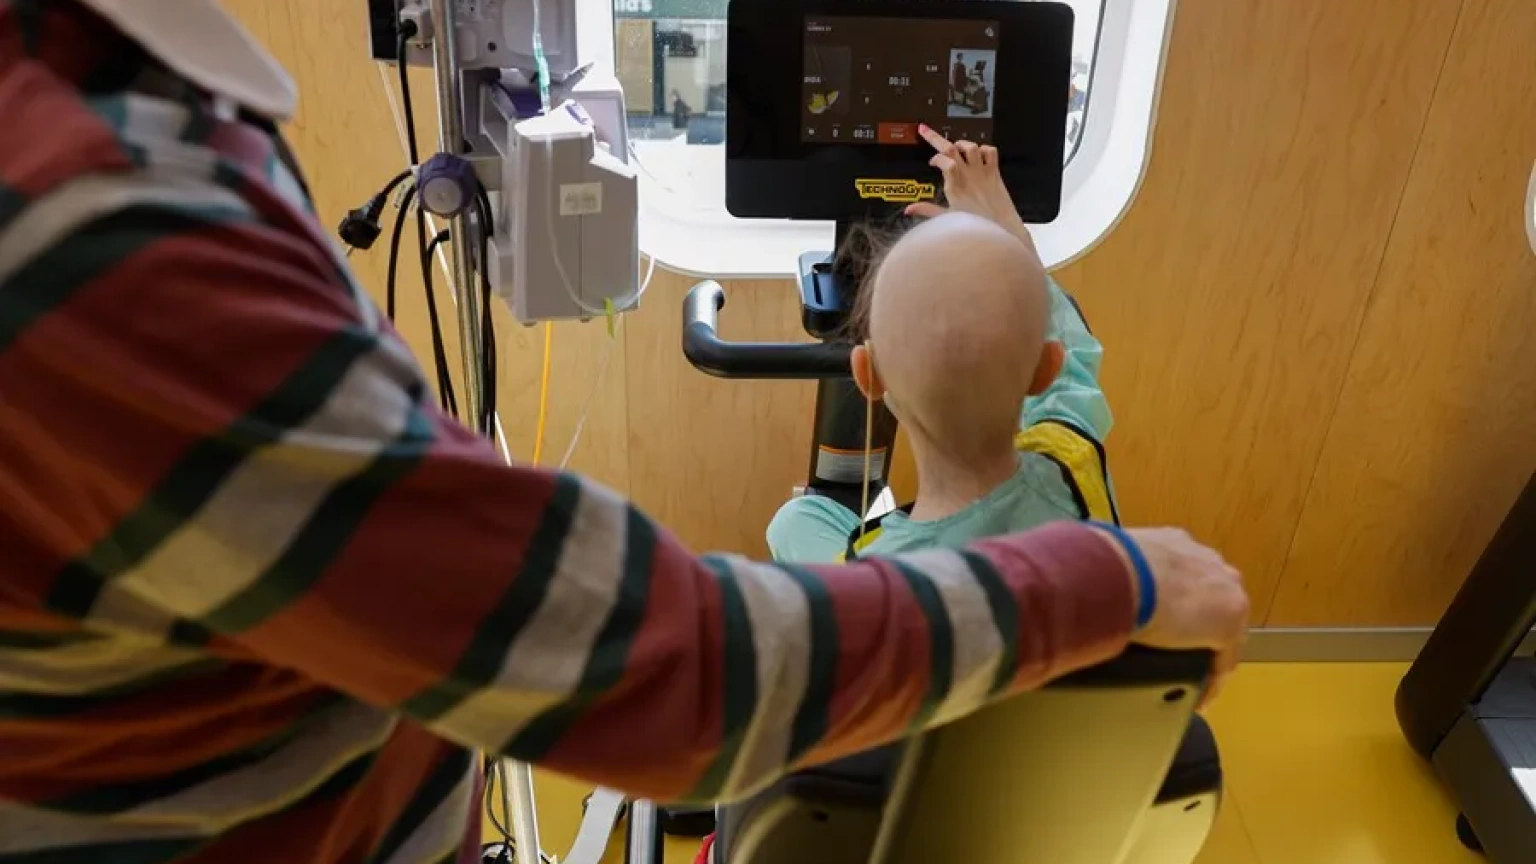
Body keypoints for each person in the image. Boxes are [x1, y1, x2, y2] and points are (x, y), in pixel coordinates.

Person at [0, 3, 1249, 862]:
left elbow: (709, 652)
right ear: (1041, 369)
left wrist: (812, 521)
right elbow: (678, 663)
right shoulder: (1075, 443)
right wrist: (1117, 572)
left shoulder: (130, 130)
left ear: (864, 373)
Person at [769, 124, 1110, 566]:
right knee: (796, 520)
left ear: (867, 373)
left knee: (792, 523)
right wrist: (1002, 225)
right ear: (1045, 367)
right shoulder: (1072, 457)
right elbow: (1071, 350)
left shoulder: (871, 577)